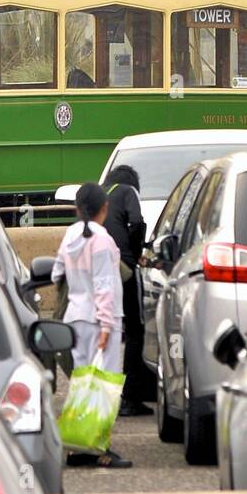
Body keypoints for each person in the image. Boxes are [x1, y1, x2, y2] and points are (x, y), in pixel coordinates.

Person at [52, 182, 131, 468]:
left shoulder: (70, 235)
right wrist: (108, 326)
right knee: (104, 385)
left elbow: (56, 272)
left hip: (75, 317)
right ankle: (100, 449)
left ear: (76, 208)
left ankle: (76, 448)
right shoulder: (103, 240)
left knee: (81, 383)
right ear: (104, 209)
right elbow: (105, 286)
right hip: (100, 321)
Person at [104, 164, 157, 415]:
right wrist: (136, 255)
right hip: (123, 266)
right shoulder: (128, 191)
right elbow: (137, 223)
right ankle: (130, 397)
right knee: (136, 328)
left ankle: (103, 396)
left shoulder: (104, 195)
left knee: (108, 330)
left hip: (100, 270)